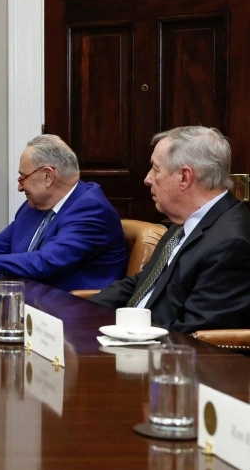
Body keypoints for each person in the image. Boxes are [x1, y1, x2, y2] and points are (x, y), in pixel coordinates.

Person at [92, 126, 250, 333]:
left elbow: (199, 334)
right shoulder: (185, 223)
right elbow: (144, 284)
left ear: (184, 177)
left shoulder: (230, 243)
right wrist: (75, 310)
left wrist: (125, 338)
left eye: (156, 169)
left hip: (165, 355)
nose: (147, 178)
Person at [0, 135, 128, 291]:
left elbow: (44, 262)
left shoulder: (91, 211)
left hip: (75, 314)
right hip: (32, 301)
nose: (19, 187)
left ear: (48, 176)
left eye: (23, 177)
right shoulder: (34, 206)